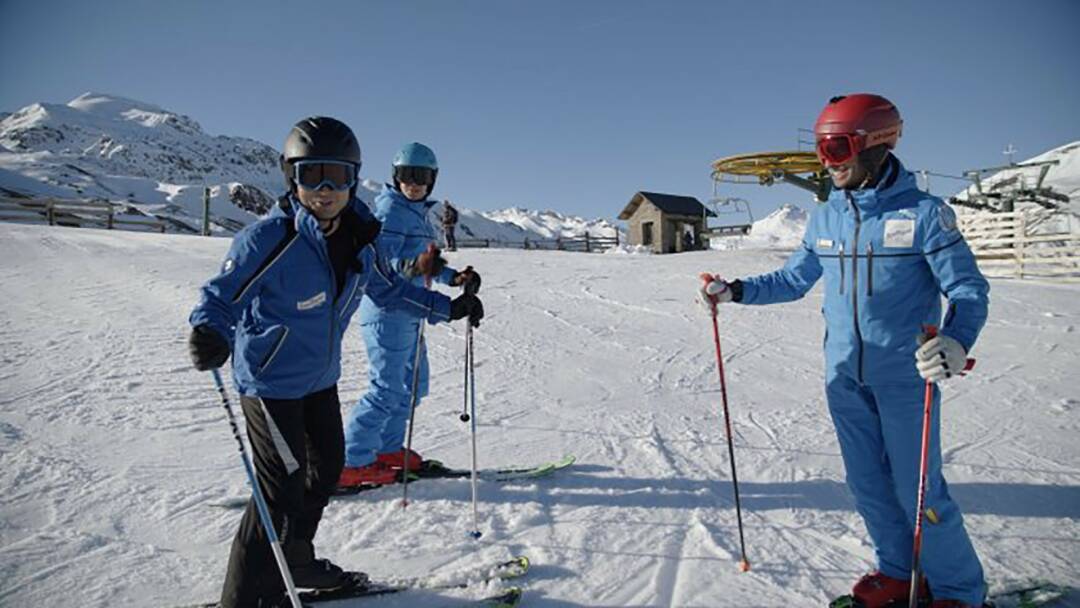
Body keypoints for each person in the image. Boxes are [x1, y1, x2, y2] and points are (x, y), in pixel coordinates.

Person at [699, 94, 990, 608]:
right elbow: (794, 279)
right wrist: (736, 289)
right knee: (868, 486)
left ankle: (959, 592)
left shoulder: (924, 215)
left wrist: (955, 339)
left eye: (837, 148)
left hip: (905, 379)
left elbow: (967, 290)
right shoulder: (826, 218)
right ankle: (900, 572)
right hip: (844, 379)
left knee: (919, 492)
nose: (828, 162)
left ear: (877, 145)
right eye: (820, 151)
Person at [187, 118, 483, 608]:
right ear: (291, 177)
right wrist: (209, 330)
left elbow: (388, 289)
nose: (325, 190)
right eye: (312, 175)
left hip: (319, 380)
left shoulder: (358, 238)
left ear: (354, 179)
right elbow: (221, 295)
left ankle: (296, 562)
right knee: (278, 491)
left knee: (323, 473)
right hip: (269, 384)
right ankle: (243, 598)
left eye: (338, 176)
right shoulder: (270, 238)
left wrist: (448, 308)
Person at [339, 142, 482, 488]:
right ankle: (352, 460)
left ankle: (386, 449)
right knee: (387, 387)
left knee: (413, 386)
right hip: (387, 311)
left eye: (422, 176)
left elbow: (424, 261)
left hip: (411, 312)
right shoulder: (390, 212)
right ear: (395, 177)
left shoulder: (415, 212)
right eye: (406, 175)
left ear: (432, 180)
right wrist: (417, 266)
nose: (414, 183)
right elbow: (383, 267)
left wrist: (454, 277)